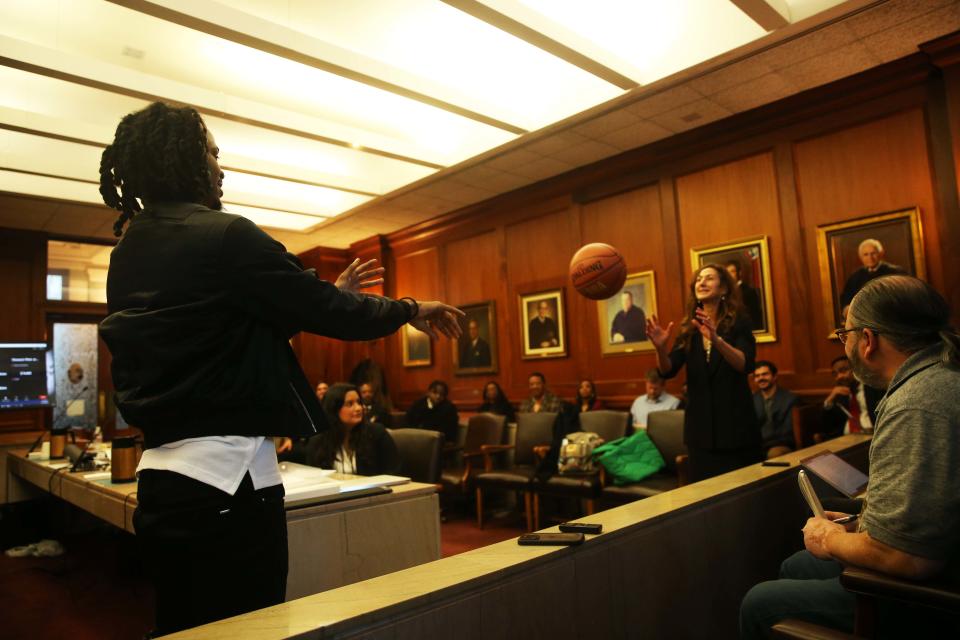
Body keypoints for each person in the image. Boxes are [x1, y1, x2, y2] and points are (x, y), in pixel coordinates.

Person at [97, 102, 463, 636]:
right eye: (212, 153)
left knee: (184, 625)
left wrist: (315, 301)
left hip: (164, 485)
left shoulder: (128, 252)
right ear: (185, 160)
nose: (221, 169)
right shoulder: (225, 235)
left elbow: (218, 340)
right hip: (228, 487)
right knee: (251, 628)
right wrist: (413, 309)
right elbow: (331, 312)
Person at [740, 275, 960, 638]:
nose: (846, 345)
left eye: (846, 335)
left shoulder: (917, 404)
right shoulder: (939, 373)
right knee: (798, 564)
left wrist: (829, 538)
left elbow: (906, 557)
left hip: (926, 596)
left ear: (868, 340)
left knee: (758, 602)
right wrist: (858, 526)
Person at [646, 264, 761, 481]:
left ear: (724, 288)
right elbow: (668, 370)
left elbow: (745, 364)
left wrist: (716, 340)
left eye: (709, 278)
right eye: (699, 279)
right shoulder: (689, 328)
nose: (702, 282)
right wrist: (660, 349)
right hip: (700, 433)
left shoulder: (739, 322)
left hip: (736, 429)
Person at [305, 384, 400, 476]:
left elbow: (394, 473)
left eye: (359, 402)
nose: (358, 408)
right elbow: (314, 478)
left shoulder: (376, 434)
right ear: (334, 409)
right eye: (350, 404)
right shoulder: (318, 441)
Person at [820, 355, 878, 440]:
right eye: (835, 374)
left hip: (873, 437)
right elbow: (827, 428)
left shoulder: (873, 388)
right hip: (846, 439)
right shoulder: (840, 395)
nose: (839, 376)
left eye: (843, 370)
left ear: (856, 368)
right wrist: (829, 401)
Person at [751, 360, 799, 458]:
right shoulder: (752, 399)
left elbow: (788, 432)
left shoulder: (790, 399)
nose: (761, 378)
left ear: (775, 376)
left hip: (781, 444)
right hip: (758, 445)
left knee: (774, 453)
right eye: (757, 376)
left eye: (765, 374)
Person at [838, 238, 905, 308]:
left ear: (881, 254)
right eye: (865, 254)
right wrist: (846, 308)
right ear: (861, 257)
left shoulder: (896, 272)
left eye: (873, 253)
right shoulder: (855, 277)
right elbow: (846, 299)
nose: (870, 257)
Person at [725, 260, 763, 330]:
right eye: (727, 272)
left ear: (739, 273)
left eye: (732, 271)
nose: (729, 275)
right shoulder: (724, 291)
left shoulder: (748, 291)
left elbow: (755, 314)